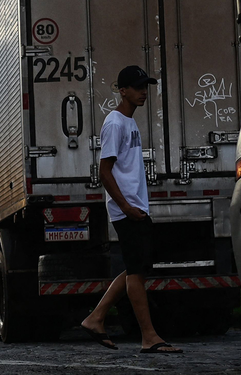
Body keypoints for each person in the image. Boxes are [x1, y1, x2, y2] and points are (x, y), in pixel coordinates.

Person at [77, 66, 181, 354]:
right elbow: (104, 171)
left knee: (138, 267)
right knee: (137, 271)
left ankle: (95, 318)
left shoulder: (129, 122)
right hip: (127, 209)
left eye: (145, 87)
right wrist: (125, 206)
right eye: (137, 87)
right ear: (122, 91)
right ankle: (149, 337)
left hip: (136, 206)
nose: (143, 92)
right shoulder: (115, 124)